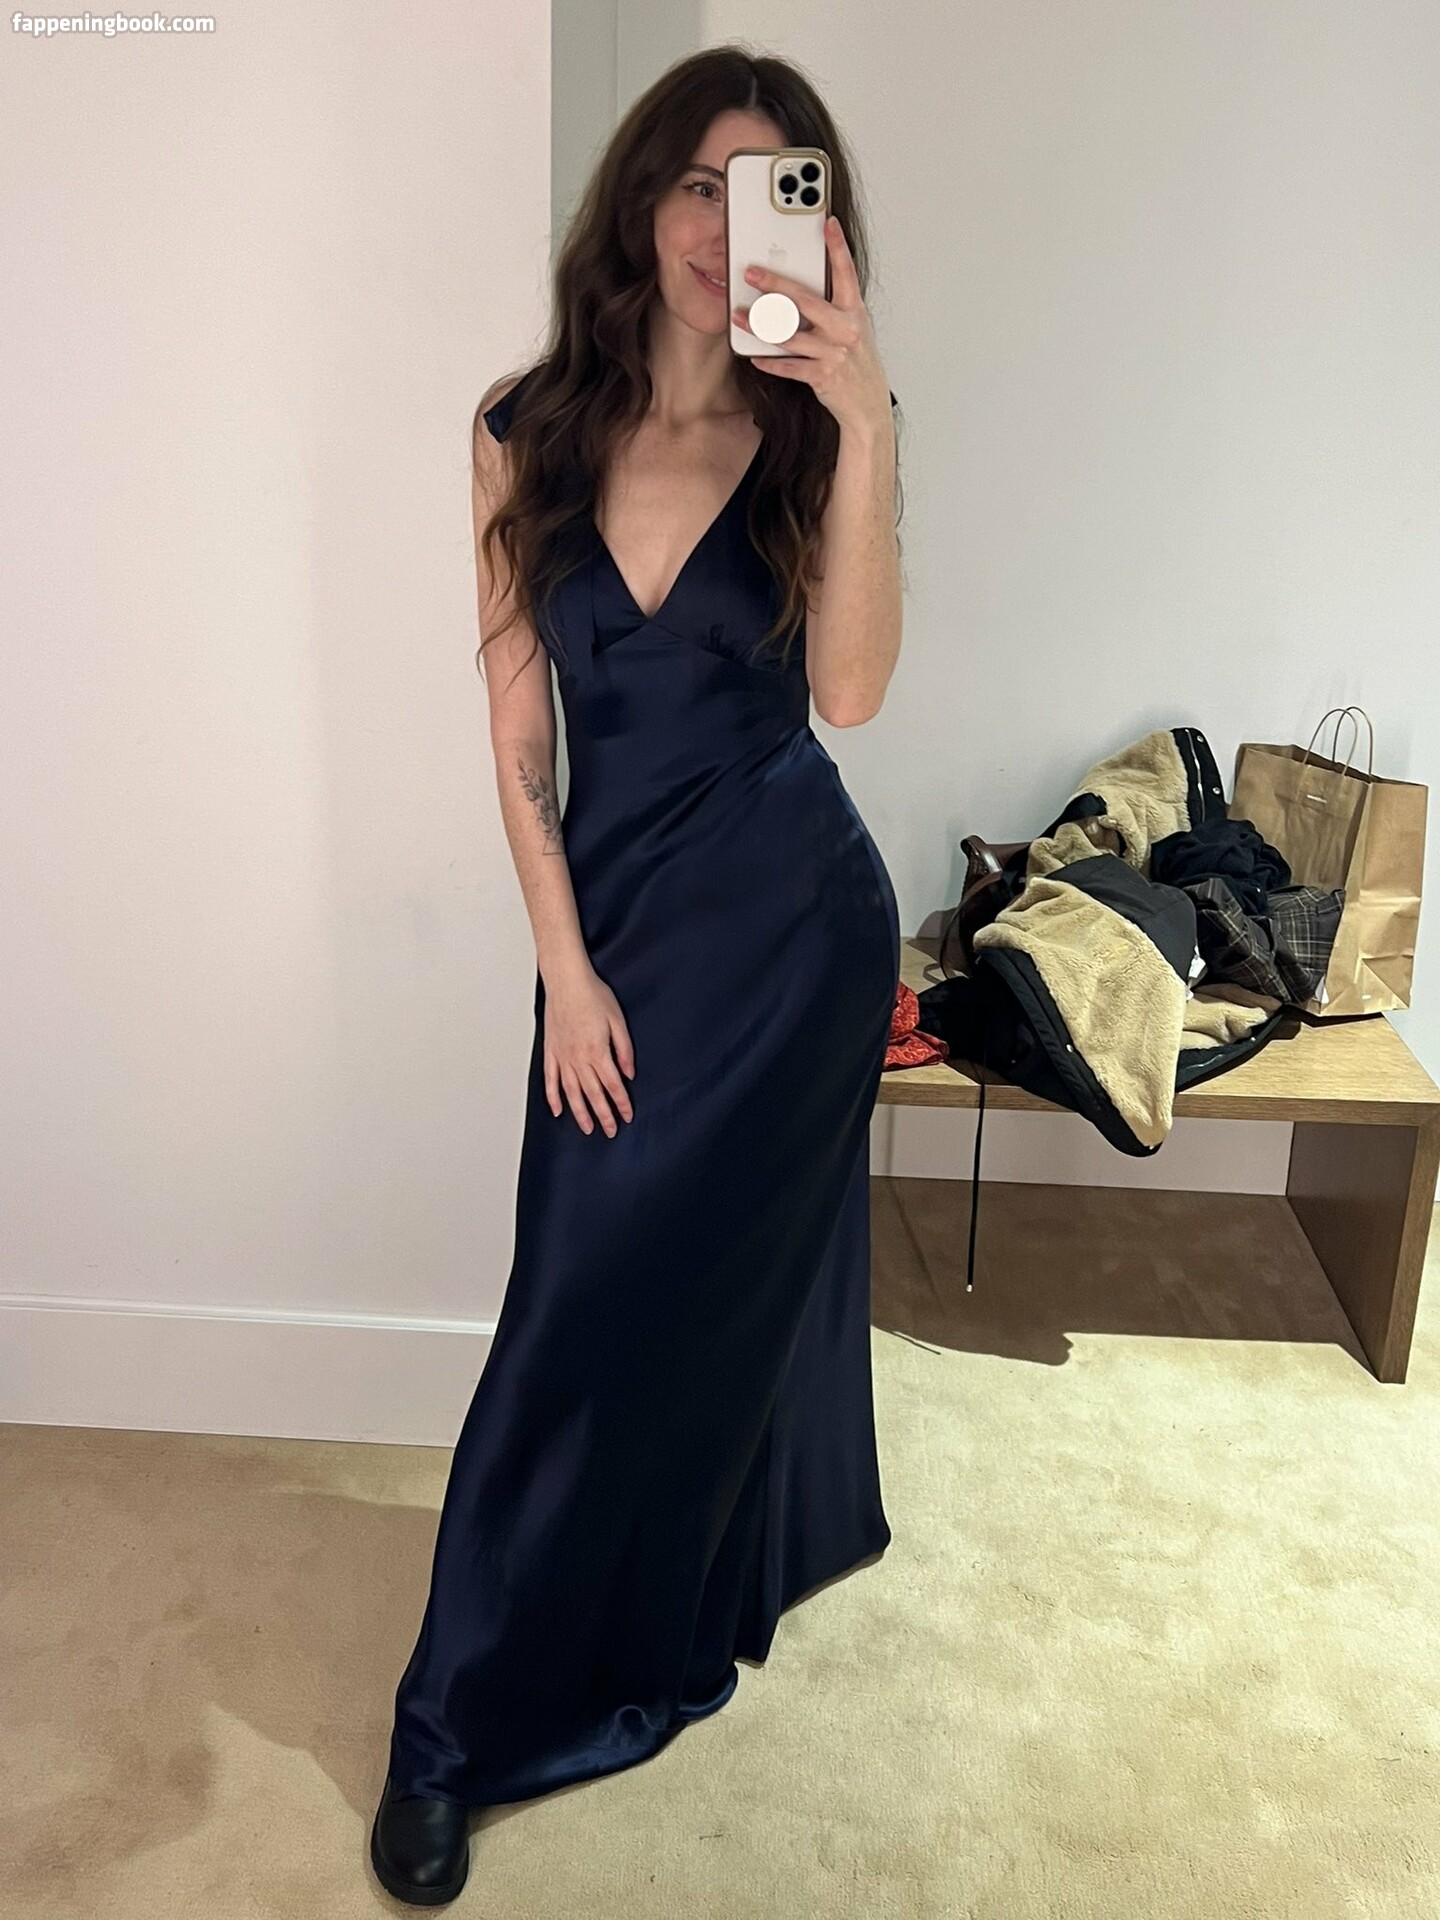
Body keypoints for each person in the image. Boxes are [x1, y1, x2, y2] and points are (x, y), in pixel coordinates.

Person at [370, 44, 904, 1907]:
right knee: (569, 1318)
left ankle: (671, 1604)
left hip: (796, 946)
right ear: (640, 199)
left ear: (810, 227)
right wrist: (562, 970)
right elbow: (518, 729)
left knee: (715, 1313)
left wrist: (869, 421)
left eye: (765, 191)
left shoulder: (819, 434)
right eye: (695, 180)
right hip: (614, 947)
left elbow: (850, 697)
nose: (718, 226)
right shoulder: (520, 430)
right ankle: (447, 1735)